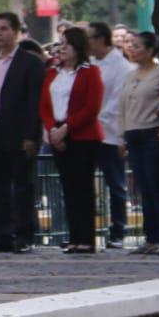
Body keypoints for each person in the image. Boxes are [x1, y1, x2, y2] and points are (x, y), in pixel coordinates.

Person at [0, 13, 46, 254]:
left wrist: (31, 136)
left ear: (16, 32)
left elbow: (34, 102)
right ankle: (2, 234)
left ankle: (24, 234)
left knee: (23, 186)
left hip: (19, 135)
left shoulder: (31, 63)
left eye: (4, 29)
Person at [41, 26, 105, 254]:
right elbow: (44, 105)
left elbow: (91, 107)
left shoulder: (90, 72)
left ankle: (86, 237)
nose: (62, 49)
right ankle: (73, 235)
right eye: (60, 44)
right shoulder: (53, 72)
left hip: (82, 135)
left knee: (82, 187)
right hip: (57, 133)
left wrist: (66, 128)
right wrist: (52, 129)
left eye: (66, 44)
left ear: (77, 47)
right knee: (67, 187)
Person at [120, 32, 159, 254]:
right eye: (131, 45)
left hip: (152, 134)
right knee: (143, 188)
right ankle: (150, 236)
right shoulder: (131, 75)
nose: (132, 49)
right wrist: (122, 135)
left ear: (150, 50)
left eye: (137, 46)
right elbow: (123, 107)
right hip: (133, 133)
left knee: (155, 185)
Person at [86, 22, 131, 249]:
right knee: (84, 183)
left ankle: (118, 230)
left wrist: (95, 119)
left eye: (90, 38)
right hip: (88, 132)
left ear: (101, 39)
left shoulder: (122, 67)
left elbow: (117, 103)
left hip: (110, 132)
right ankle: (84, 231)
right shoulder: (90, 64)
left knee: (116, 184)